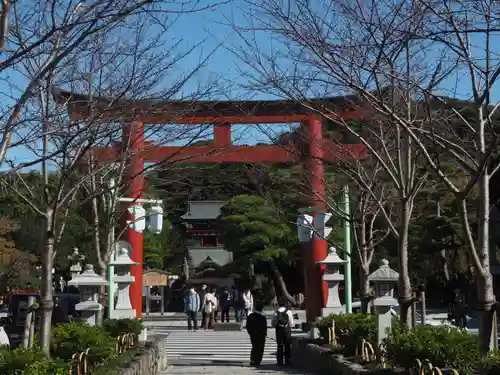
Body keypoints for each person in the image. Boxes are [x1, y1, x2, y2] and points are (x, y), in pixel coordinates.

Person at [271, 299, 294, 365]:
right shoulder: (288, 312)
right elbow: (291, 323)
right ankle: (287, 360)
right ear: (285, 304)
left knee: (279, 345)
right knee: (287, 345)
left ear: (278, 304)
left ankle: (279, 361)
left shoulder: (276, 312)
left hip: (279, 330)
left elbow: (273, 323)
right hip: (287, 329)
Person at [246, 301, 267, 366]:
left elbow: (248, 326)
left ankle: (252, 360)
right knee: (260, 348)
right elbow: (265, 328)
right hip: (261, 335)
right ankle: (258, 361)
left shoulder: (250, 316)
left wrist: (250, 333)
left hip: (253, 335)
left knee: (254, 347)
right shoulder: (263, 317)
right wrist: (265, 334)